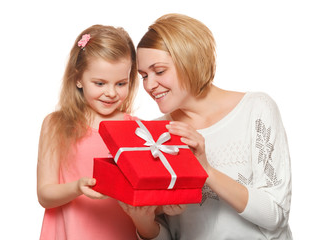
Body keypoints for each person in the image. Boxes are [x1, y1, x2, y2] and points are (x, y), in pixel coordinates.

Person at [121, 13, 293, 239]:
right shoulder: (154, 137)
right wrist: (144, 224)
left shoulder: (256, 110)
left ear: (190, 59)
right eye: (143, 75)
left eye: (159, 71)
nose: (150, 85)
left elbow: (275, 215)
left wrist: (206, 171)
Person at [37, 24, 139, 239]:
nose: (111, 93)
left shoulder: (139, 130)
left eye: (121, 83)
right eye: (100, 83)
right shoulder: (56, 124)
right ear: (78, 78)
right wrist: (77, 187)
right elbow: (45, 194)